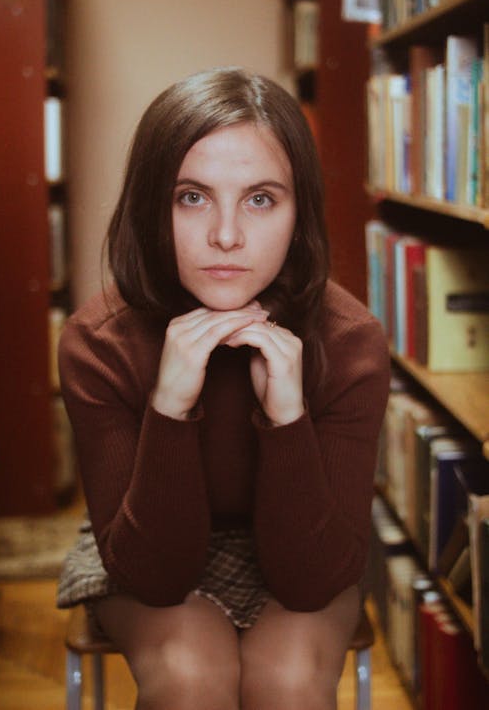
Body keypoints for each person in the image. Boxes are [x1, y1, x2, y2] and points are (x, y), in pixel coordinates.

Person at [57, 67, 390, 710]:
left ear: (300, 213)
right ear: (151, 206)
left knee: (290, 681)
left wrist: (287, 416)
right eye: (193, 197)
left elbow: (310, 580)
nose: (227, 236)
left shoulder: (351, 343)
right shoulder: (96, 343)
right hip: (145, 541)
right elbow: (154, 578)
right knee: (189, 676)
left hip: (307, 543)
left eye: (261, 198)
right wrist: (169, 407)